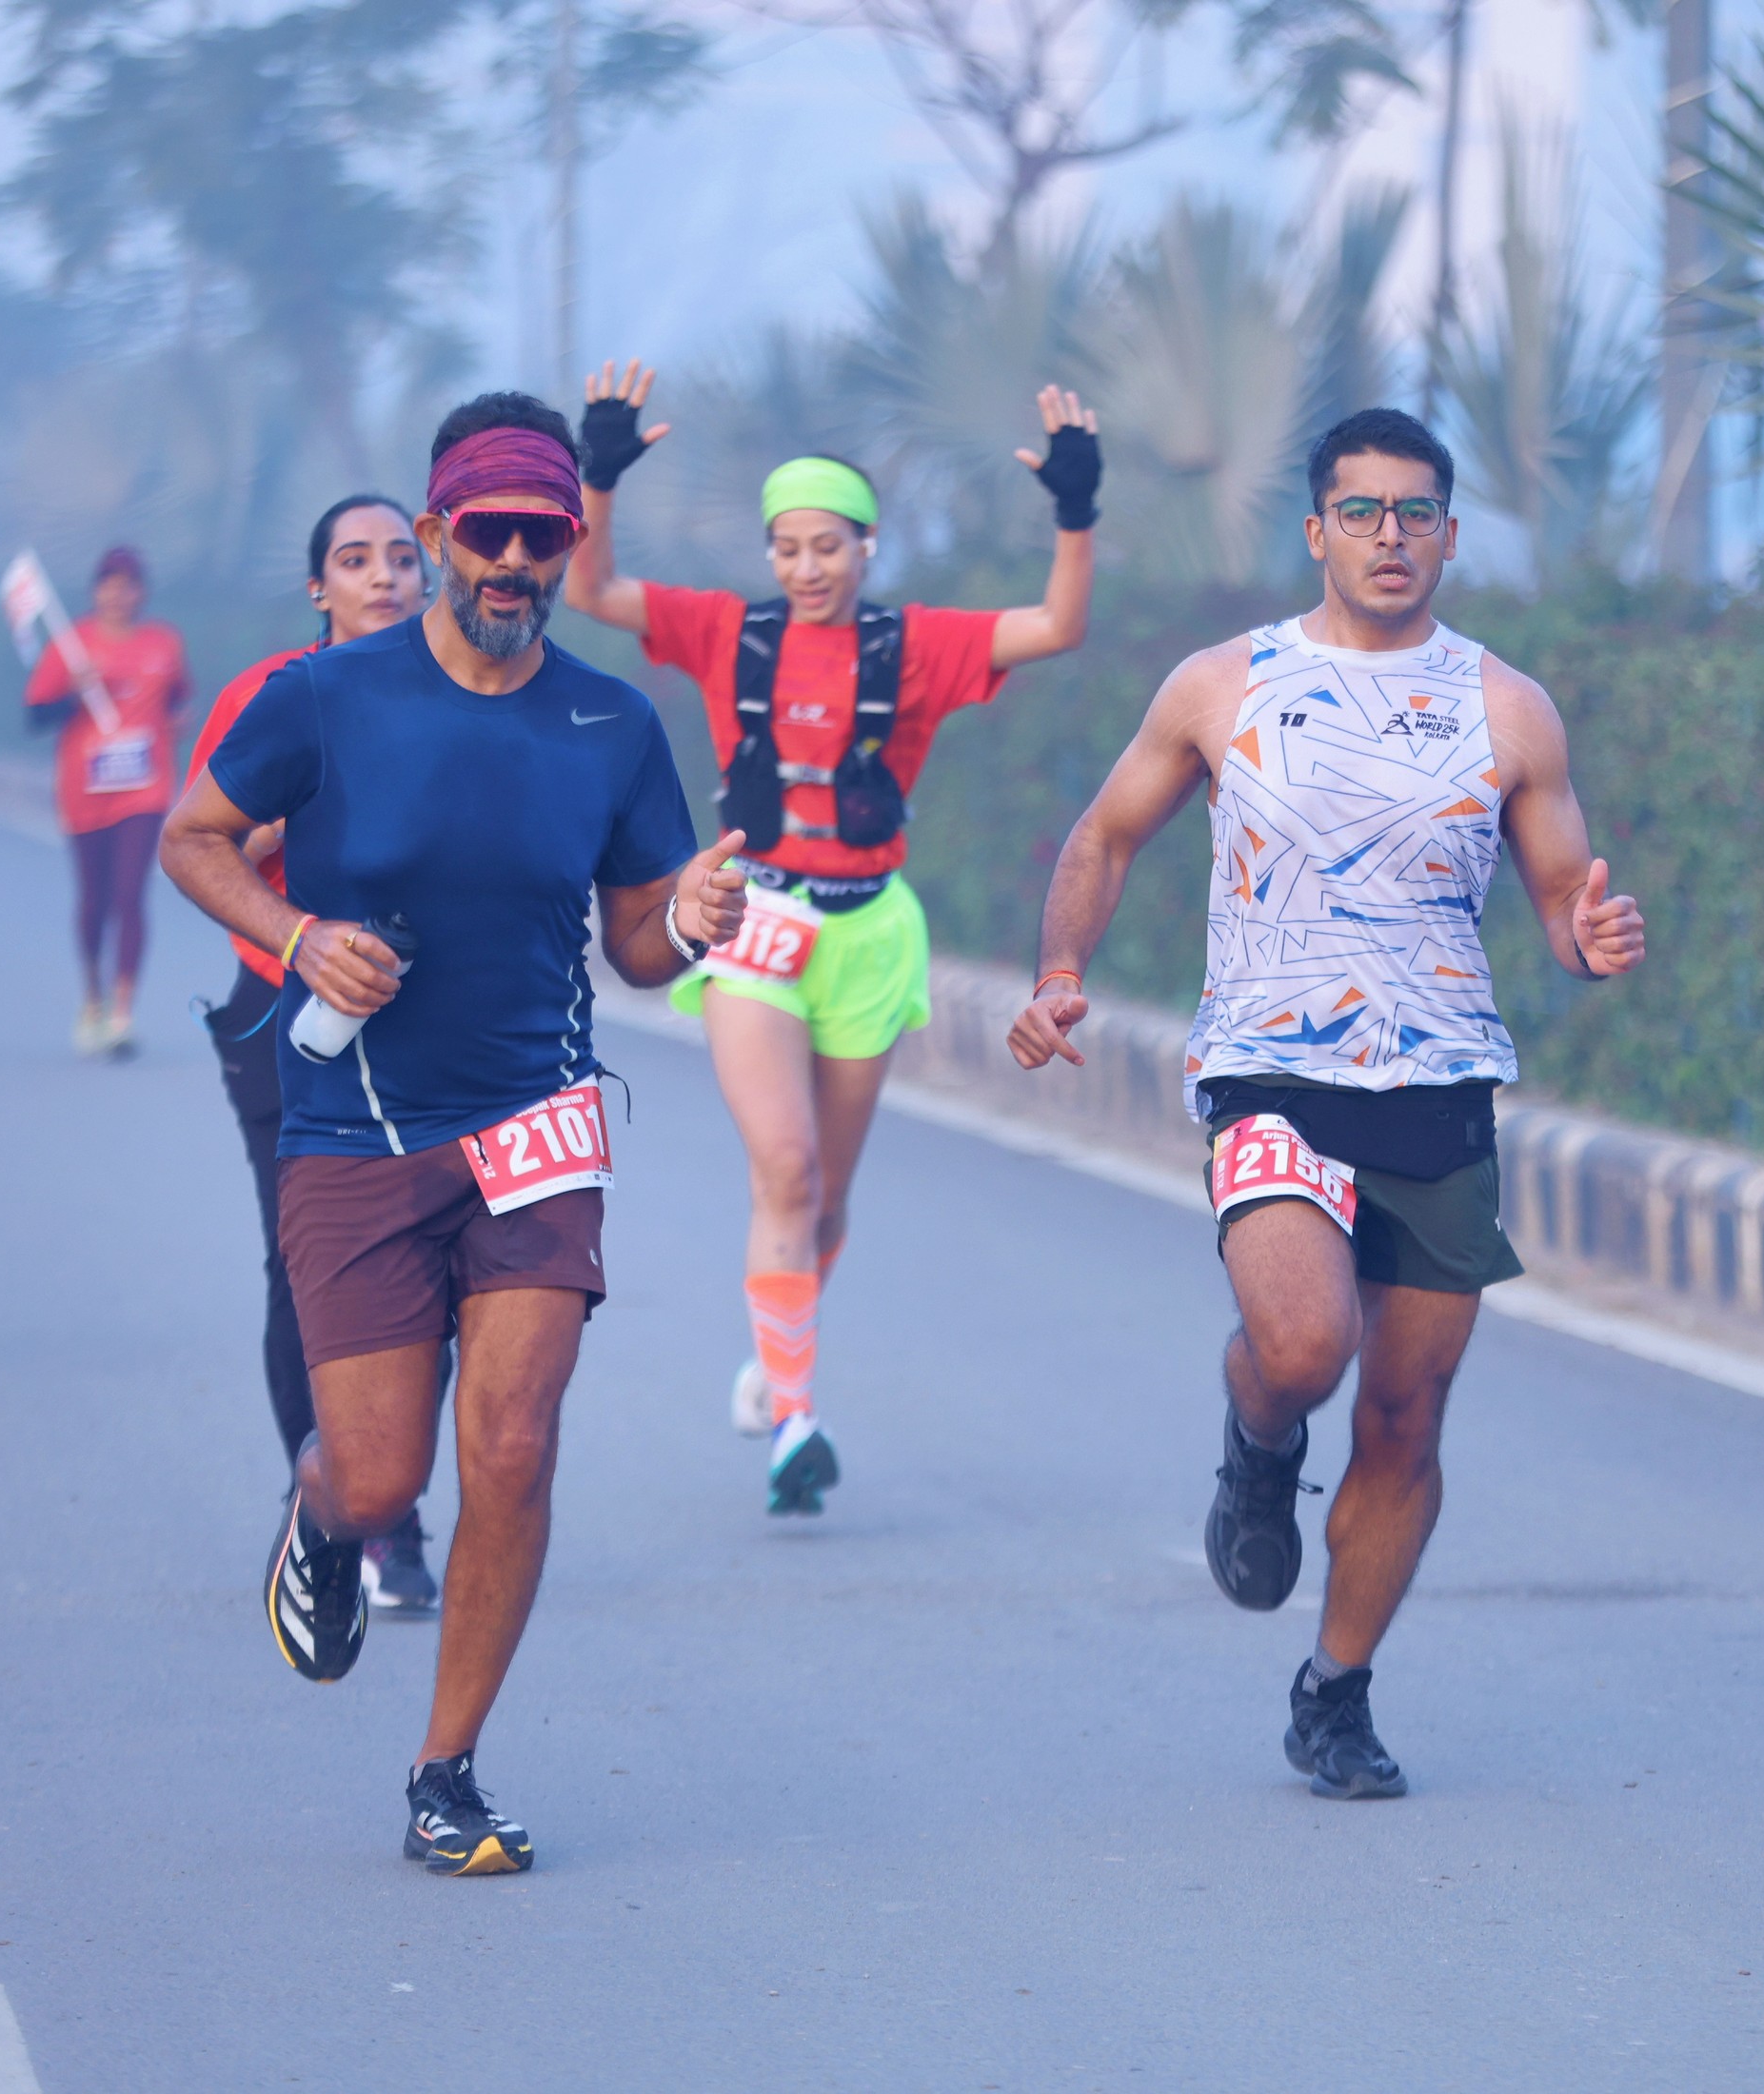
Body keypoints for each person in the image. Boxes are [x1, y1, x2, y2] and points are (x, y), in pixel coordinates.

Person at [1006, 407, 1647, 1800]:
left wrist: (1590, 938)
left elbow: (1560, 899)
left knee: (1407, 1419)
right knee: (1305, 1345)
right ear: (1317, 531)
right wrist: (1060, 975)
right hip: (1273, 1071)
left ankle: (1335, 1692)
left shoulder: (1507, 707)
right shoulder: (1224, 684)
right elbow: (1107, 833)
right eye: (1361, 511)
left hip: (1440, 1085)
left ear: (1451, 536)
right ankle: (1259, 1434)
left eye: (1415, 513)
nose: (1389, 536)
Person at [160, 391, 746, 1876]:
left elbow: (637, 949)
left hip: (537, 1122)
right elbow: (191, 837)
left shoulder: (612, 722)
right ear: (436, 535)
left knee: (515, 1445)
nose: (516, 562)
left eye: (544, 537)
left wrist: (691, 919)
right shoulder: (325, 695)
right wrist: (297, 935)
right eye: (489, 534)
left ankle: (448, 1768)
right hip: (355, 1131)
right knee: (380, 1483)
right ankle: (320, 1511)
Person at [563, 359, 1100, 1518]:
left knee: (829, 1197)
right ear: (769, 555)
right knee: (787, 1168)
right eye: (787, 548)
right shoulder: (726, 632)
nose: (807, 568)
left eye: (828, 546)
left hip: (870, 928)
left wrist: (1075, 507)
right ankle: (796, 1421)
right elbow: (592, 588)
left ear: (867, 548)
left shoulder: (918, 646)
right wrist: (596, 477)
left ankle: (778, 1349)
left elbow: (1059, 624)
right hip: (755, 917)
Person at [184, 495, 443, 1616]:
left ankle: (383, 1492)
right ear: (318, 587)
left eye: (401, 557)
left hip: (438, 1025)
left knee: (434, 1267)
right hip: (287, 1020)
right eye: (355, 559)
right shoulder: (271, 695)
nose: (383, 576)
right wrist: (284, 847)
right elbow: (202, 847)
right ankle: (350, 1513)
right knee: (309, 1270)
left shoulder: (473, 689)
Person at [25, 545, 189, 1058]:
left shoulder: (163, 643)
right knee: (94, 901)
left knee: (130, 895)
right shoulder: (71, 645)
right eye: (109, 586)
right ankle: (92, 995)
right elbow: (35, 716)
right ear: (96, 592)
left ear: (141, 593)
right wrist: (73, 694)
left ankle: (122, 1011)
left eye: (128, 586)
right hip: (84, 792)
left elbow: (178, 695)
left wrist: (175, 720)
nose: (118, 596)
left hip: (144, 790)